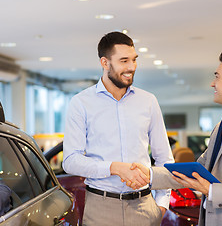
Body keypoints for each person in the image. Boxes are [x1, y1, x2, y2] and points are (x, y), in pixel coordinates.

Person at [131, 51, 222, 226]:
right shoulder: (221, 127)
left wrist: (211, 190)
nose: (212, 83)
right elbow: (198, 170)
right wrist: (148, 175)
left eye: (217, 77)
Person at [62, 31, 174, 226]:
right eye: (124, 61)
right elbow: (71, 161)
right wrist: (114, 168)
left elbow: (164, 158)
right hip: (101, 209)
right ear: (105, 63)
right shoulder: (81, 103)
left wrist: (161, 205)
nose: (131, 67)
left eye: (134, 60)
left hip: (144, 207)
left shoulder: (148, 101)